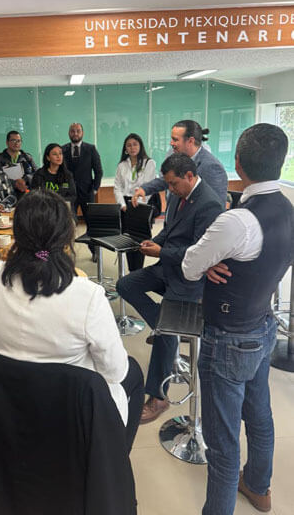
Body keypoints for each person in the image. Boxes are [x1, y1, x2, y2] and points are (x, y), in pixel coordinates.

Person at [0, 190, 144, 448]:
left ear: (16, 233)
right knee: (133, 373)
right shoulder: (87, 294)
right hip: (71, 412)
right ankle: (115, 460)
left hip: (10, 400)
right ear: (66, 236)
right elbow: (115, 371)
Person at [181, 124, 293, 514]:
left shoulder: (237, 221)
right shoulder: (288, 210)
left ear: (238, 163)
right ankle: (259, 488)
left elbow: (190, 265)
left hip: (227, 339)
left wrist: (210, 261)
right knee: (260, 416)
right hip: (263, 326)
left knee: (223, 444)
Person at [115, 153, 224, 425]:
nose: (170, 189)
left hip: (189, 278)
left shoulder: (209, 204)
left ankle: (158, 397)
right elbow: (169, 230)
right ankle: (165, 327)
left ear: (190, 176)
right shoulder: (178, 194)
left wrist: (162, 251)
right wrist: (154, 242)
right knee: (125, 285)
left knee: (164, 332)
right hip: (167, 268)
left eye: (173, 184)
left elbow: (199, 253)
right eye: (168, 184)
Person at [132, 119, 228, 209]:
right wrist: (145, 189)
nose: (171, 143)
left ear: (190, 141)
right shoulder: (177, 157)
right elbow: (167, 179)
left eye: (175, 139)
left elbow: (216, 208)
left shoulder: (211, 167)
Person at [114, 133, 159, 271]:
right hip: (125, 205)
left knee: (140, 240)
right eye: (129, 145)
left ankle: (137, 271)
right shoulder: (122, 165)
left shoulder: (149, 163)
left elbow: (148, 187)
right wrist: (122, 205)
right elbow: (117, 187)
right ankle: (131, 271)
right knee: (128, 240)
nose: (132, 147)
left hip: (142, 205)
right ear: (125, 149)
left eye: (135, 144)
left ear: (140, 146)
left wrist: (136, 206)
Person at [61, 123, 103, 220]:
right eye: (72, 131)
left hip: (87, 192)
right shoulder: (62, 150)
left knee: (91, 222)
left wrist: (95, 189)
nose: (75, 133)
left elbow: (98, 171)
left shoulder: (91, 149)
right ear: (69, 133)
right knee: (69, 222)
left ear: (82, 133)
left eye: (78, 131)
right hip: (68, 193)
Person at [31, 143, 77, 208]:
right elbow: (34, 195)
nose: (58, 156)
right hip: (44, 208)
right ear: (48, 158)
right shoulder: (39, 174)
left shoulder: (68, 175)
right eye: (55, 154)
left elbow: (72, 196)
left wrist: (58, 202)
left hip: (63, 208)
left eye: (60, 153)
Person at [0, 130, 37, 197]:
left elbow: (37, 173)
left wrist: (25, 179)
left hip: (27, 193)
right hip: (8, 194)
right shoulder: (0, 158)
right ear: (7, 142)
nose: (16, 143)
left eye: (19, 141)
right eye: (13, 140)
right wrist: (15, 183)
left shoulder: (27, 157)